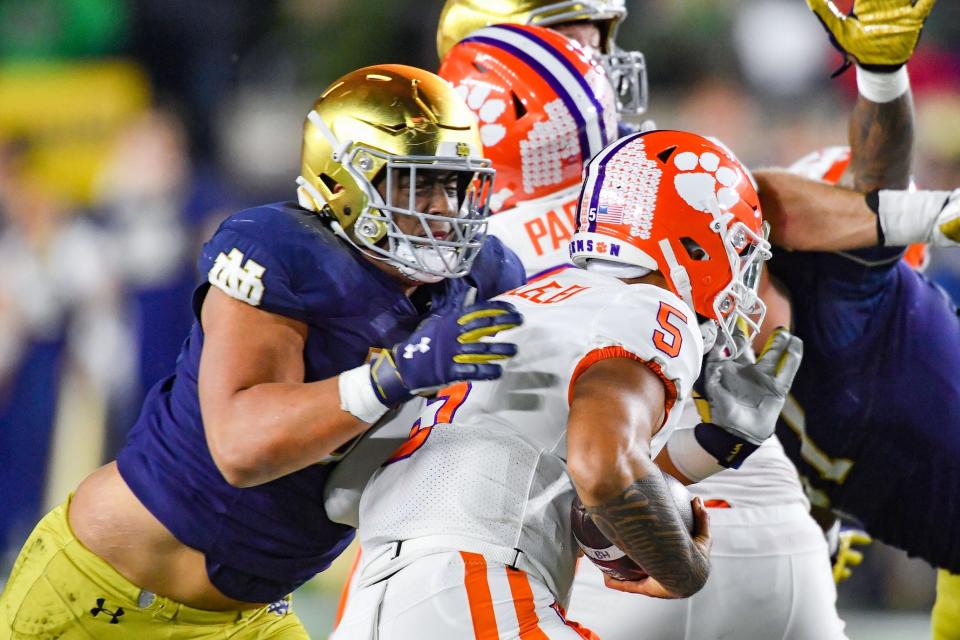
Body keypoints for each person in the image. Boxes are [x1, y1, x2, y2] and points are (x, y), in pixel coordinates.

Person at [0, 64, 526, 637]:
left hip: (253, 616)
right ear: (343, 180)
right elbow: (241, 447)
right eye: (417, 183)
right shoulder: (283, 252)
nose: (445, 208)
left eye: (453, 183)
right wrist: (393, 375)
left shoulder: (481, 280)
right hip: (106, 597)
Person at [435, 8, 846, 639]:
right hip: (739, 523)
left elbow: (588, 475)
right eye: (569, 37)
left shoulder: (465, 247)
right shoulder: (648, 182)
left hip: (566, 539)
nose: (596, 55)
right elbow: (600, 466)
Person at [332, 128, 785, 639]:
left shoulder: (538, 298)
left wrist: (715, 444)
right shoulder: (648, 306)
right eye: (740, 247)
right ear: (696, 242)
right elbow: (602, 468)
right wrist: (684, 569)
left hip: (378, 597)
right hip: (473, 590)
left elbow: (563, 466)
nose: (744, 274)